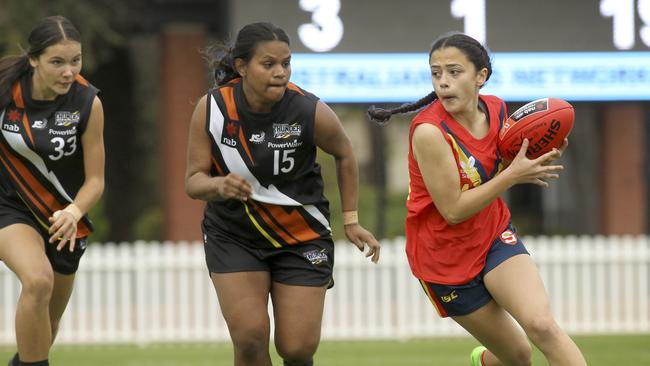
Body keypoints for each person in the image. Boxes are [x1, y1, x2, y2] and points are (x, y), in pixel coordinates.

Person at [368, 32, 586, 366]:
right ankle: (484, 361)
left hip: (492, 234)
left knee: (543, 326)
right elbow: (453, 210)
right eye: (436, 73)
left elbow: (508, 156)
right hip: (443, 260)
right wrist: (512, 175)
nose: (443, 82)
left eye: (454, 72)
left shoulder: (497, 108)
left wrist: (543, 149)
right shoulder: (429, 132)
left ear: (481, 76)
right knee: (518, 355)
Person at [185, 22, 380, 366]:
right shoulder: (212, 108)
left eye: (286, 64)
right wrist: (219, 185)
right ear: (242, 67)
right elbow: (193, 181)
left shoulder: (307, 108)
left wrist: (351, 220)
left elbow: (346, 153)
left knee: (297, 347)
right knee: (249, 337)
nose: (280, 72)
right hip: (234, 236)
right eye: (269, 64)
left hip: (301, 236)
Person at [0, 16, 105, 366]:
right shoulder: (5, 94)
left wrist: (73, 212)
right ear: (34, 60)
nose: (68, 72)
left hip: (65, 217)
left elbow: (95, 181)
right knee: (38, 281)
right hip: (10, 207)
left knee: (49, 321)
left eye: (75, 61)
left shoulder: (88, 102)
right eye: (57, 62)